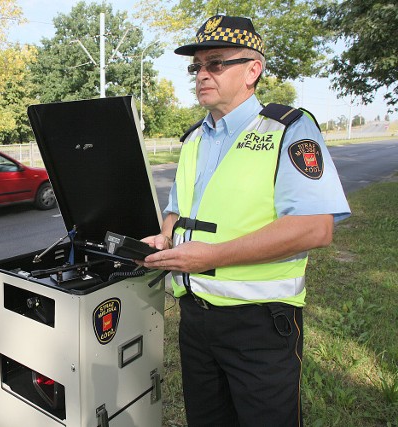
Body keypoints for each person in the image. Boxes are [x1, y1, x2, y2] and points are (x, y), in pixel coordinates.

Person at [139, 15, 351, 427]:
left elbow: (315, 227)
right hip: (195, 320)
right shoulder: (194, 139)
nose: (202, 74)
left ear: (253, 70)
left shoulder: (288, 128)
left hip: (260, 323)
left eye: (215, 63)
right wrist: (165, 239)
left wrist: (211, 256)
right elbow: (177, 212)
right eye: (195, 67)